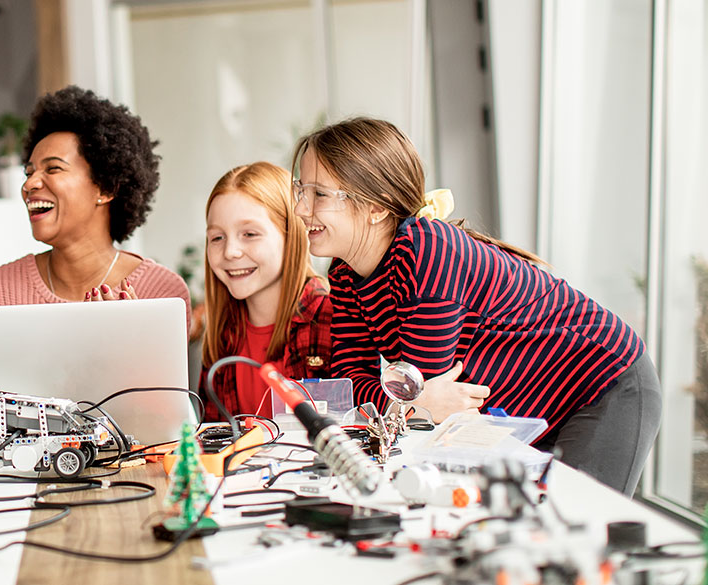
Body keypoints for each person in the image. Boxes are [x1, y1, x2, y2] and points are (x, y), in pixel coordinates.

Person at [294, 117, 661, 496]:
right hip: (529, 407)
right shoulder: (345, 273)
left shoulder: (426, 252)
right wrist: (410, 404)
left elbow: (428, 400)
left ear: (375, 207)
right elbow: (359, 384)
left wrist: (410, 404)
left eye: (319, 195)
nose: (302, 209)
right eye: (300, 190)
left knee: (575, 524)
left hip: (602, 383)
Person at [0, 86, 190, 323]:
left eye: (53, 168)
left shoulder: (161, 294)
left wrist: (129, 337)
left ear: (105, 188)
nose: (29, 184)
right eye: (29, 172)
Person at [199, 162, 331, 421]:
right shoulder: (223, 336)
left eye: (249, 234)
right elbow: (213, 440)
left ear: (291, 235)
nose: (230, 252)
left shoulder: (331, 318)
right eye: (217, 238)